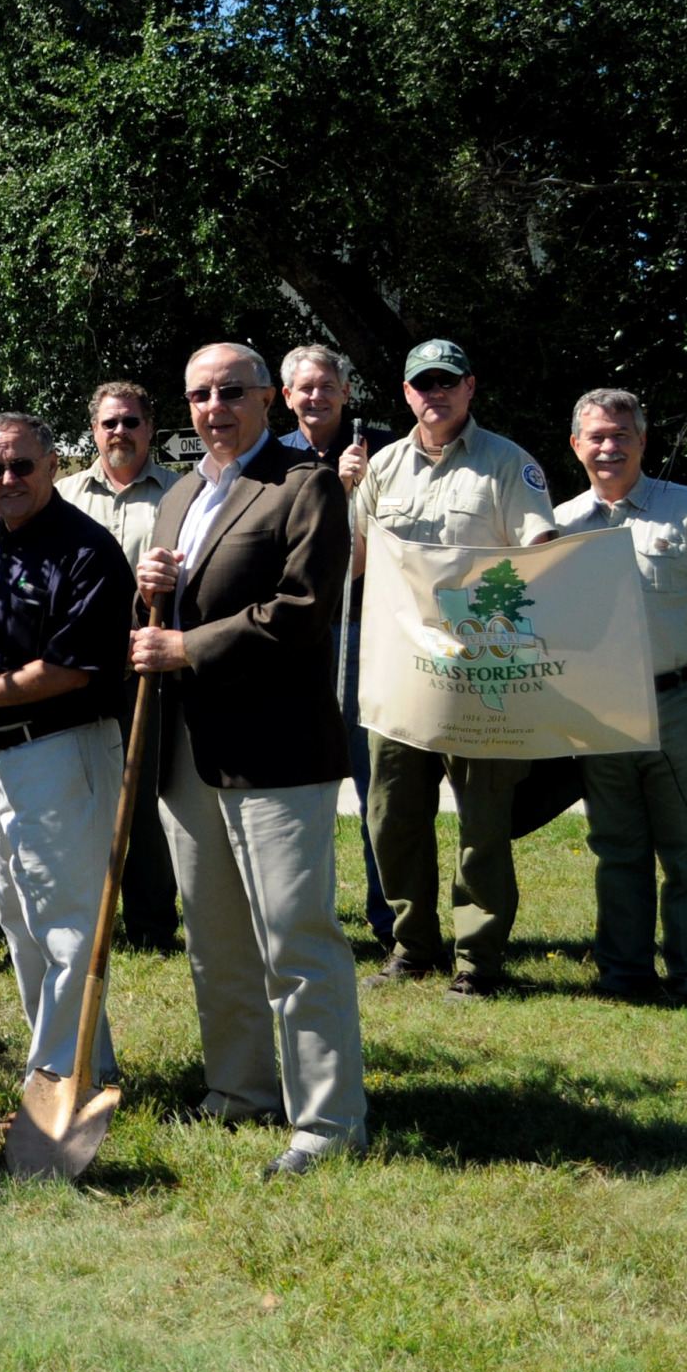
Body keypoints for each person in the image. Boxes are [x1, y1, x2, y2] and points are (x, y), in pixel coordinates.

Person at [133, 343, 367, 1179]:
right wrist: (149, 584)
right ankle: (239, 1091)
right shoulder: (182, 497)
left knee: (297, 941)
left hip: (276, 751)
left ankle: (329, 1120)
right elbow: (159, 617)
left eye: (232, 391)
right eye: (199, 395)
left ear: (268, 397)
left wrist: (184, 643)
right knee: (217, 940)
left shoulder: (304, 484)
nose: (214, 407)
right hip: (187, 751)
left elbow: (302, 611)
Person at [0, 414, 133, 1093]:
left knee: (68, 923)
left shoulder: (85, 550)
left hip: (62, 751)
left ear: (52, 465)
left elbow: (71, 669)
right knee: (21, 921)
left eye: (22, 466)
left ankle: (53, 1077)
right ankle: (83, 1063)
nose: (9, 479)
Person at [353, 339, 557, 997]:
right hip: (401, 668)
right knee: (392, 812)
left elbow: (539, 551)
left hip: (482, 668)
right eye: (421, 385)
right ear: (406, 393)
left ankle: (479, 961)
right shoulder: (382, 467)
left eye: (446, 383)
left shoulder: (508, 464)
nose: (433, 394)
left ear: (470, 387)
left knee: (483, 820)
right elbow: (355, 557)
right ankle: (413, 947)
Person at [555, 389, 687, 1007]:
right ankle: (624, 975)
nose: (609, 447)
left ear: (642, 441)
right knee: (618, 849)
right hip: (602, 712)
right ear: (577, 445)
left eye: (621, 435)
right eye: (597, 436)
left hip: (686, 702)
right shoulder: (558, 525)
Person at [56, 382, 186, 951]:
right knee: (77, 791)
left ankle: (153, 924)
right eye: (110, 423)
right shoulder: (60, 496)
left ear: (149, 429)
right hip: (72, 669)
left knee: (143, 795)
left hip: (148, 670)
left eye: (131, 422)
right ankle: (84, 919)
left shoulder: (182, 496)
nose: (120, 433)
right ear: (94, 430)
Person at [278, 343, 397, 951]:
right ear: (288, 396)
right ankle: (304, 913)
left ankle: (390, 921)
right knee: (301, 780)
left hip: (367, 631)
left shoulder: (387, 448)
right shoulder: (274, 458)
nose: (316, 396)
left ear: (346, 391)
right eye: (305, 388)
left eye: (328, 385)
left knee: (372, 776)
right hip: (299, 635)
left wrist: (362, 485)